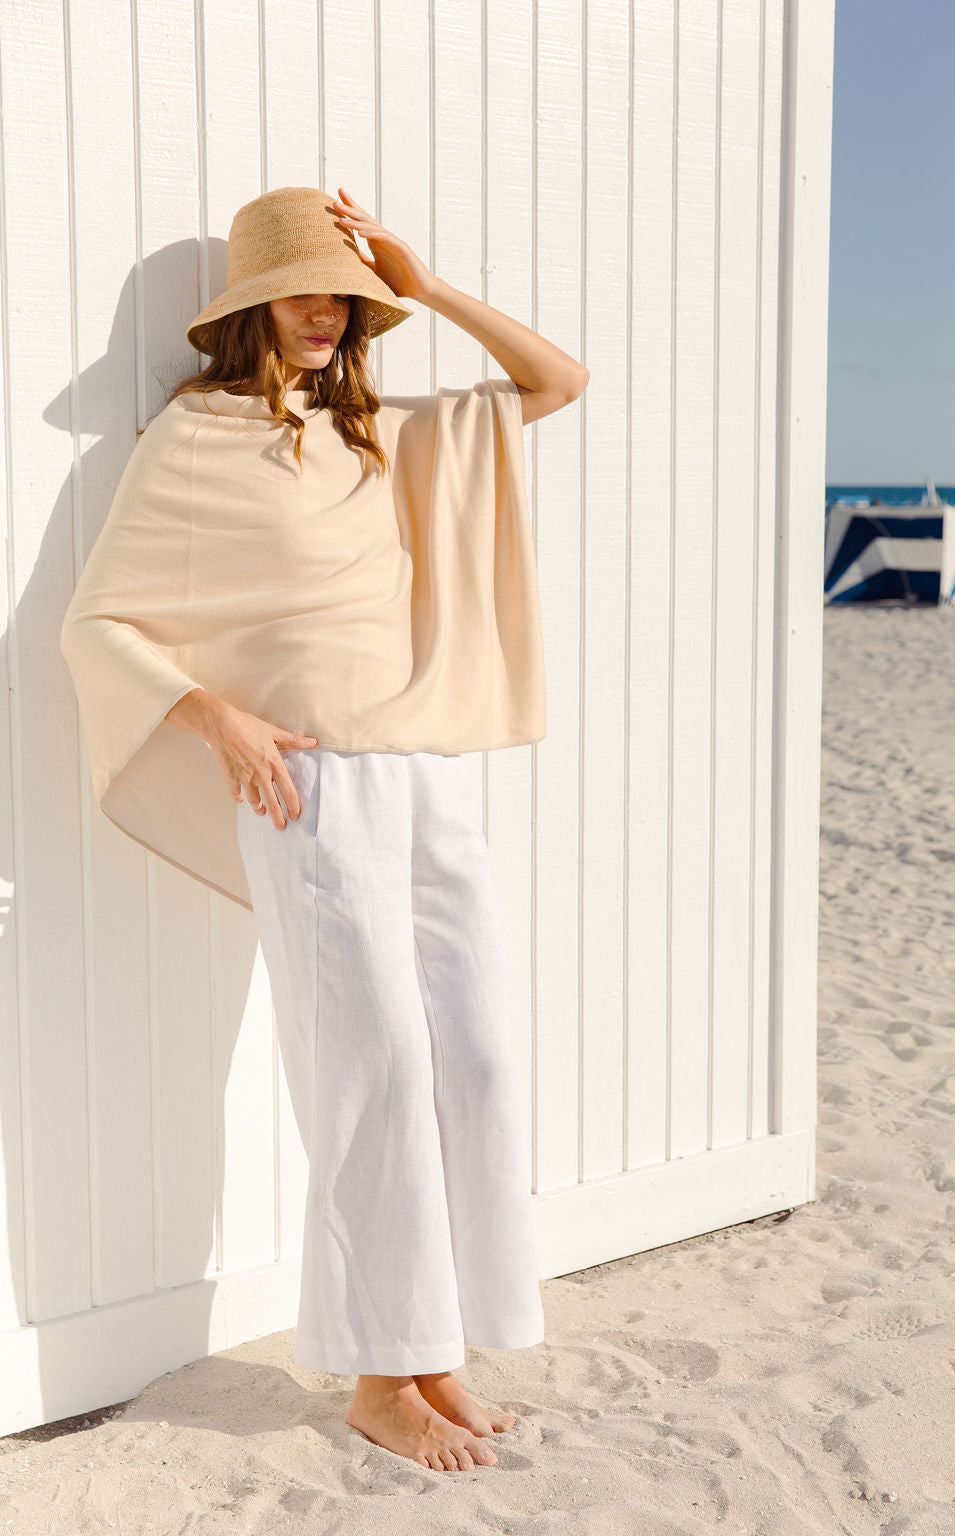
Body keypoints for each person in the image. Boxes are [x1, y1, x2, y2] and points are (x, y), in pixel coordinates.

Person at [58, 184, 588, 1474]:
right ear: (250, 304)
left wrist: (425, 281)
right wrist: (217, 719)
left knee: (471, 1056)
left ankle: (437, 1345)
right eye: (304, 290)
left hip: (420, 771)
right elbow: (98, 622)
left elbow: (556, 383)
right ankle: (378, 1378)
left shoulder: (376, 433)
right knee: (374, 1070)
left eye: (346, 298)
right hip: (308, 788)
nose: (327, 314)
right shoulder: (191, 440)